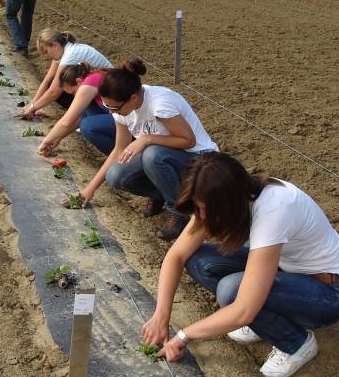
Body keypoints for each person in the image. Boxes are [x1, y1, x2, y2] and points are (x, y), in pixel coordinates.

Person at [142, 152, 339, 377]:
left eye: (205, 209)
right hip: (287, 271)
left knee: (232, 291)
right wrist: (160, 315)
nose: (201, 216)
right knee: (198, 260)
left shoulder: (274, 209)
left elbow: (243, 309)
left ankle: (296, 343)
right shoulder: (229, 194)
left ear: (228, 202)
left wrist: (183, 336)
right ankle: (264, 321)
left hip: (328, 294)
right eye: (198, 208)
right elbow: (176, 256)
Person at [79, 60, 218, 241]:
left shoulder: (160, 103)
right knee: (115, 175)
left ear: (133, 99)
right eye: (108, 107)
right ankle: (162, 193)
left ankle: (180, 210)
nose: (112, 112)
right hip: (164, 155)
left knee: (152, 155)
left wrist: (147, 139)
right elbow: (118, 150)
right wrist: (89, 189)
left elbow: (188, 141)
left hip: (199, 159)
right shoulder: (122, 110)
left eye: (114, 107)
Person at [22, 29, 112, 120]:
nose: (47, 56)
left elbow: (54, 92)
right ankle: (82, 115)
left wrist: (33, 108)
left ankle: (86, 117)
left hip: (108, 92)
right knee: (54, 84)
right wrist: (32, 105)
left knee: (60, 87)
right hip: (96, 87)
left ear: (54, 45)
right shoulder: (64, 50)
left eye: (46, 52)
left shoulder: (70, 56)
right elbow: (47, 79)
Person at [37, 63, 116, 157]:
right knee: (85, 111)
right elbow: (78, 117)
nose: (75, 96)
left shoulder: (90, 82)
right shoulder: (92, 78)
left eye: (74, 92)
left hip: (129, 123)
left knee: (87, 127)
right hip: (117, 117)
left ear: (78, 81)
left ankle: (119, 155)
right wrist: (58, 137)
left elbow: (66, 121)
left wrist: (46, 141)